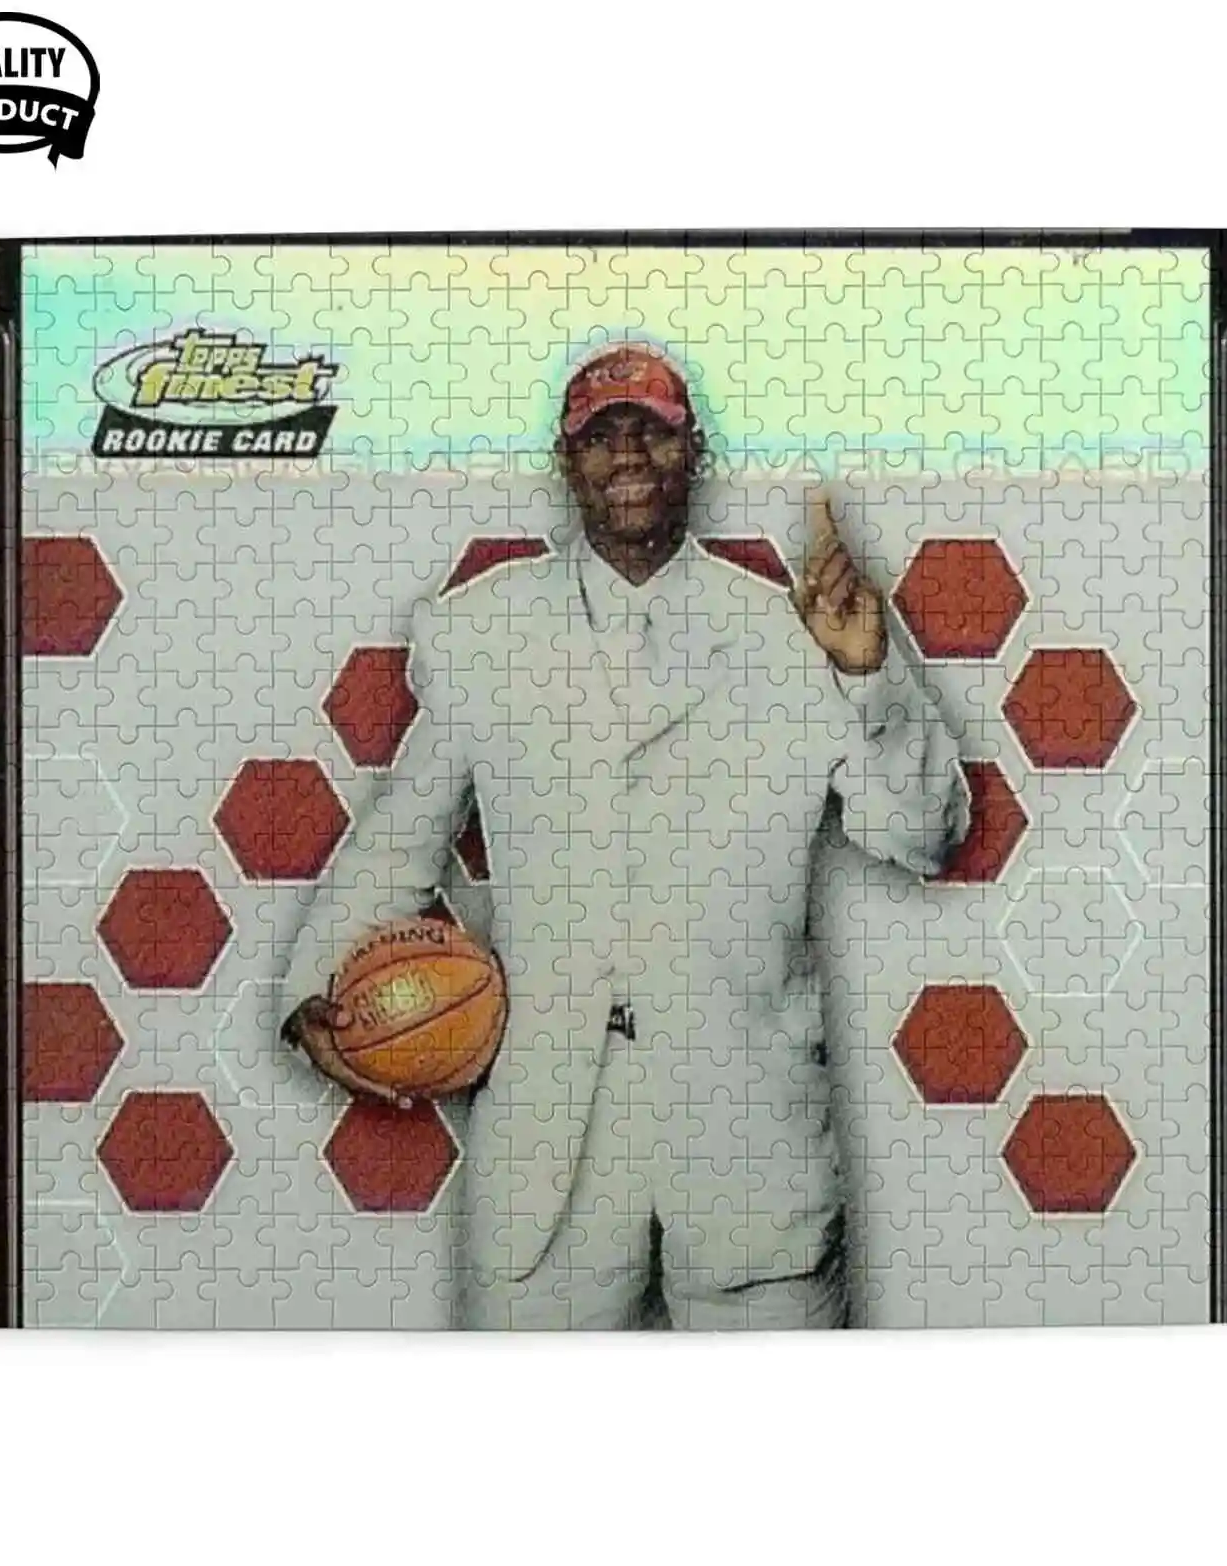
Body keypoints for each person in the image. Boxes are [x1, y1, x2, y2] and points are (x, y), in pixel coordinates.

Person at [281, 342, 968, 1328]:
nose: (629, 453)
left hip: (749, 1137)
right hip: (547, 1144)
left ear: (697, 451)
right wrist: (314, 989)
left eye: (652, 429)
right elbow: (399, 843)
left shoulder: (794, 629)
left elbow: (923, 835)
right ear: (567, 462)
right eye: (601, 436)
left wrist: (868, 673)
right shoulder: (484, 632)